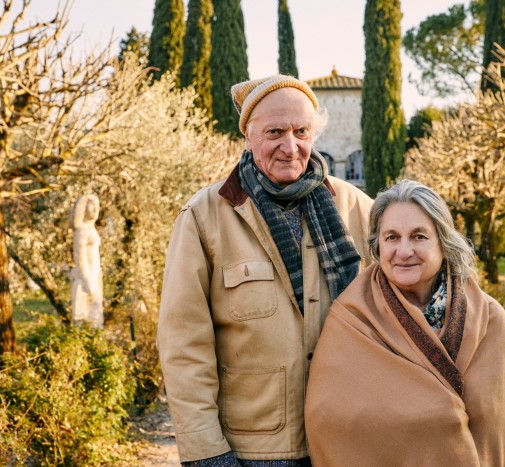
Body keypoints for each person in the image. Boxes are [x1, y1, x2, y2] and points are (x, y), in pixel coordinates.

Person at [157, 75, 373, 466]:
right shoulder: (204, 216)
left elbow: (412, 290)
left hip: (346, 439)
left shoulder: (355, 207)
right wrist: (207, 453)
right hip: (254, 452)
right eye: (275, 131)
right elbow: (183, 344)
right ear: (248, 137)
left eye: (301, 131)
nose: (290, 147)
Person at [305, 180, 505, 466]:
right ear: (377, 245)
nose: (404, 251)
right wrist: (439, 419)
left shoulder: (490, 319)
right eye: (392, 238)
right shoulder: (352, 319)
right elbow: (327, 420)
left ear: (443, 241)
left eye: (419, 236)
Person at [70, 194, 104, 329]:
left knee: (95, 318)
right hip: (85, 280)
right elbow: (80, 257)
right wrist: (88, 280)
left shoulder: (91, 229)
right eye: (92, 206)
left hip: (95, 275)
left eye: (97, 207)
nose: (95, 210)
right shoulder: (82, 231)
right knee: (85, 319)